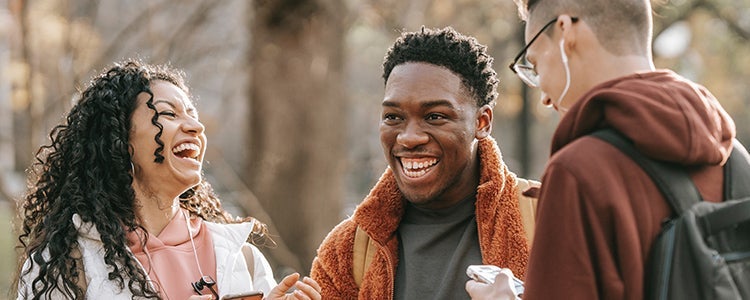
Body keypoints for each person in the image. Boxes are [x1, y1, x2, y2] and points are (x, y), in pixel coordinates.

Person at [466, 0, 737, 299]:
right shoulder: (732, 155)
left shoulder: (579, 172)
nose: (543, 95)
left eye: (536, 64)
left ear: (565, 30)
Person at [15, 60, 321, 300]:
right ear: (120, 141)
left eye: (192, 114)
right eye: (168, 114)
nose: (195, 127)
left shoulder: (241, 256)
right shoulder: (66, 264)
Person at [310, 26, 540, 299]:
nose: (409, 138)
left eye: (434, 117)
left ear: (482, 122)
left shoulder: (549, 217)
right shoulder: (347, 251)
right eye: (393, 117)